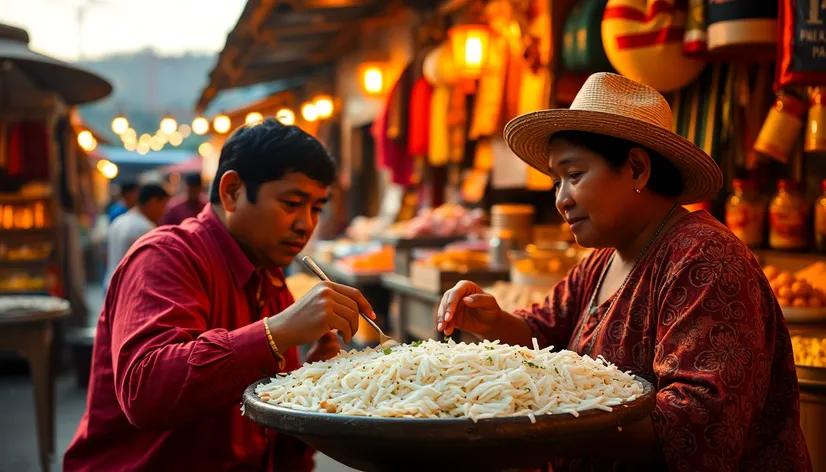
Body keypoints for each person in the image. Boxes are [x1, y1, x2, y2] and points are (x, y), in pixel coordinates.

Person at [436, 73, 811, 471]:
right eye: (556, 181)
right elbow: (544, 335)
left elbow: (698, 430)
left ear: (636, 168)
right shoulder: (602, 261)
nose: (561, 199)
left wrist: (545, 413)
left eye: (574, 175)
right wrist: (492, 322)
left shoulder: (705, 259)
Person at [65, 119, 373, 471]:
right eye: (291, 203)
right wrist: (274, 333)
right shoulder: (165, 256)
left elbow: (268, 429)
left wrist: (313, 384)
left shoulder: (270, 280)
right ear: (232, 192)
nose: (306, 224)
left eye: (316, 209)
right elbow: (144, 390)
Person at [102, 183, 169, 291]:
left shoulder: (119, 220)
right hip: (127, 288)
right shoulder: (144, 227)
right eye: (163, 205)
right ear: (153, 201)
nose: (163, 212)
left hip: (111, 284)